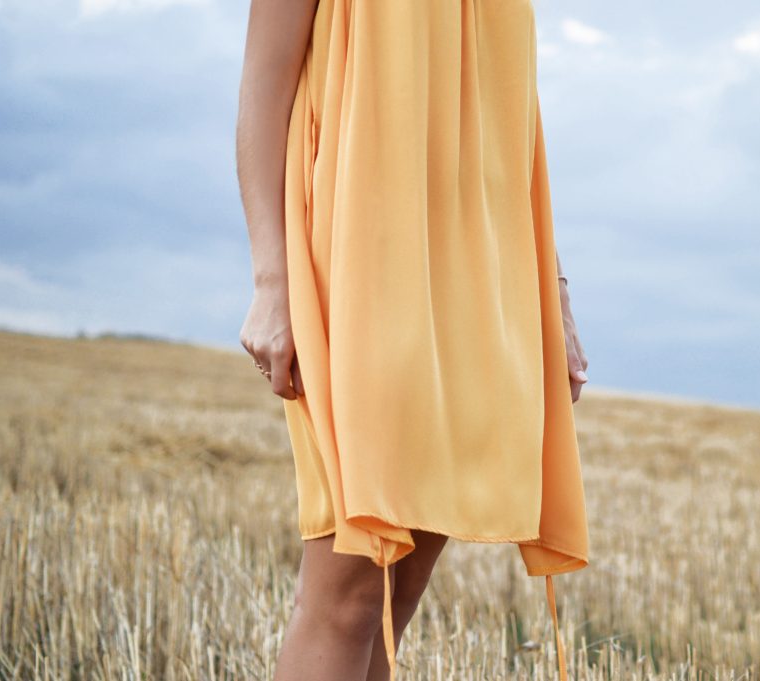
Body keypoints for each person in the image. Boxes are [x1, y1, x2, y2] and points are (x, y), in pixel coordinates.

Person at [235, 1, 590, 680]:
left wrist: (554, 286)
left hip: (481, 260)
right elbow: (266, 76)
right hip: (363, 241)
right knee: (350, 593)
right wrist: (270, 276)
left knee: (390, 601)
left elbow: (510, 108)